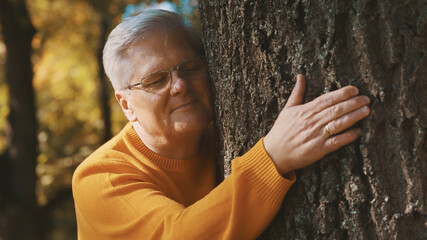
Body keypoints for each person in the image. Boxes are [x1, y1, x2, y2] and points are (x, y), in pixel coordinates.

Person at [72, 9, 371, 239]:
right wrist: (272, 158)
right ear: (126, 105)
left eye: (189, 67)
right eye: (156, 80)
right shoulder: (100, 177)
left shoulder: (223, 133)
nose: (179, 85)